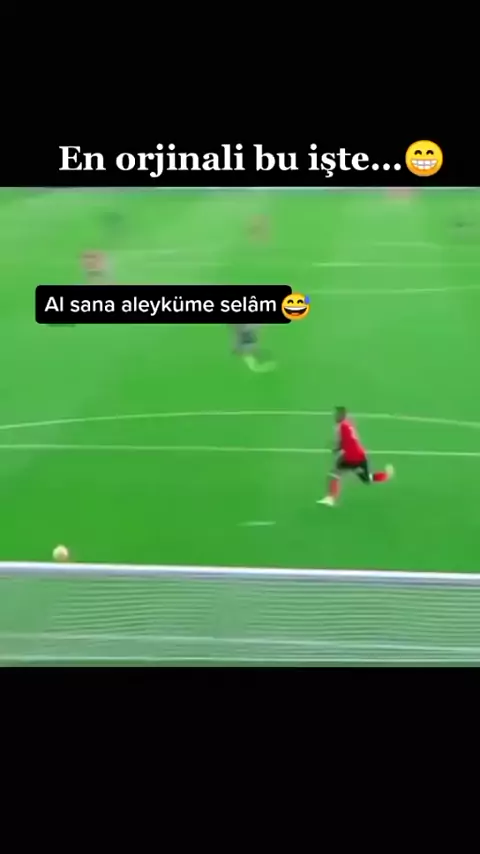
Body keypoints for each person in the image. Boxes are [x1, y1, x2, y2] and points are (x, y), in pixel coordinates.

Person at [318, 407, 394, 507]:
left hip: (351, 457)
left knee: (335, 474)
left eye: (337, 414)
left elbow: (342, 442)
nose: (335, 416)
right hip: (360, 455)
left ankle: (331, 499)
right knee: (366, 478)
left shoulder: (340, 427)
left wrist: (336, 449)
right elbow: (349, 440)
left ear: (341, 415)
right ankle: (385, 476)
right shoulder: (348, 424)